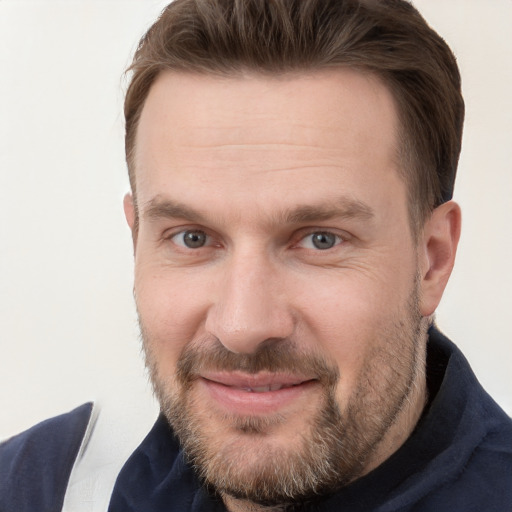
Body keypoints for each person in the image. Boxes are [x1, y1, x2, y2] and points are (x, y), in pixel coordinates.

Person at [1, 0, 511, 511]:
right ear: (137, 243)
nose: (243, 326)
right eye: (192, 238)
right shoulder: (37, 489)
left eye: (320, 240)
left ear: (433, 260)